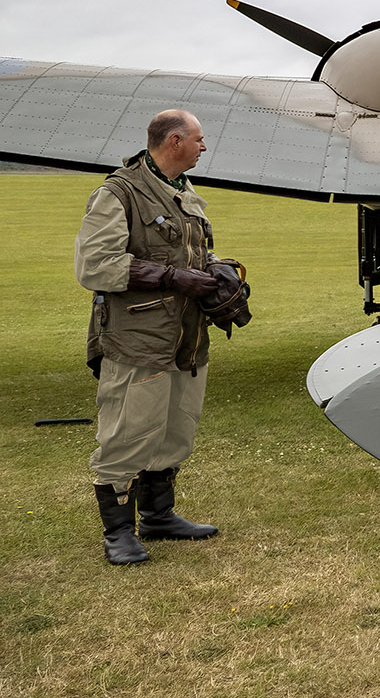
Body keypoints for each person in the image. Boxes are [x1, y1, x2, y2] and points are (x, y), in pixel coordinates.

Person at [74, 109, 224, 565]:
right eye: (198, 139)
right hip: (138, 336)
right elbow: (94, 266)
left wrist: (215, 268)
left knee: (176, 428)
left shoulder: (183, 190)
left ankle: (158, 516)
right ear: (174, 141)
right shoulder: (118, 193)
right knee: (129, 432)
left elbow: (193, 248)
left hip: (186, 336)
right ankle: (118, 532)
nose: (204, 146)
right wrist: (173, 279)